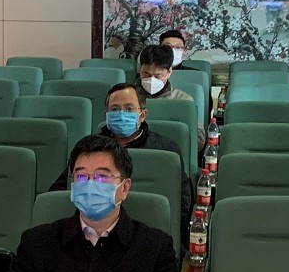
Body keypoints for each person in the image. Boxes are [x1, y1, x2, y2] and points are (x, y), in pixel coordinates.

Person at [0, 135, 183, 272]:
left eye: (102, 177)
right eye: (82, 176)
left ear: (124, 188)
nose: (90, 184)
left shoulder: (155, 248)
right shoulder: (37, 243)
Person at [51, 84, 193, 222]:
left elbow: (183, 199)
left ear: (142, 115)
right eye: (115, 109)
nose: (121, 114)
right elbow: (60, 189)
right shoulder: (89, 148)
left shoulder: (165, 149)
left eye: (129, 109)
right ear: (107, 115)